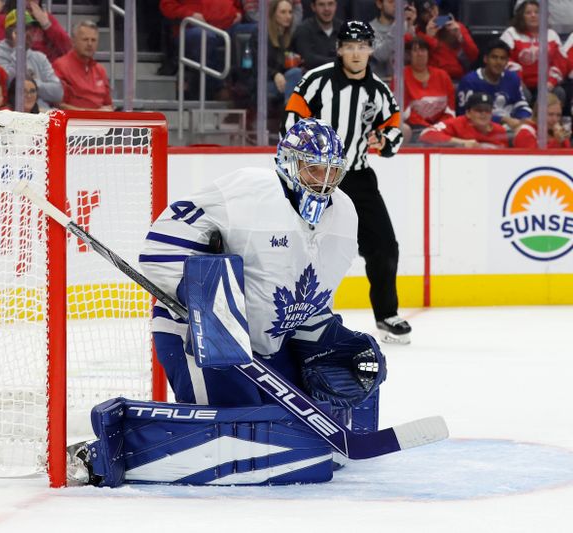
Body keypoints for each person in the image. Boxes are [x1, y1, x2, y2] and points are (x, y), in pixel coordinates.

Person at [139, 117, 385, 432]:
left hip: (267, 346)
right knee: (241, 429)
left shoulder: (345, 214)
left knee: (297, 429)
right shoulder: (249, 189)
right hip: (198, 336)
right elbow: (160, 246)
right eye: (313, 168)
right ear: (288, 164)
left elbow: (311, 298)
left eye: (332, 170)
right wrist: (206, 300)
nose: (324, 181)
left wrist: (326, 339)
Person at [281, 21, 410, 344]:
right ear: (339, 49)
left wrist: (384, 139)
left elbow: (394, 129)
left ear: (370, 49)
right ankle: (297, 313)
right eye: (349, 46)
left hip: (358, 175)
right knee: (306, 245)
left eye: (362, 46)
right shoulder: (315, 80)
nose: (356, 53)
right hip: (313, 176)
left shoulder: (378, 90)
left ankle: (386, 315)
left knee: (384, 246)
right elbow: (291, 121)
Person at [456, 39, 532, 131]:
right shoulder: (470, 81)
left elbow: (520, 103)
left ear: (507, 61)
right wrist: (502, 120)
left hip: (511, 127)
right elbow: (465, 115)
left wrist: (524, 117)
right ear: (485, 59)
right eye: (494, 57)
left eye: (502, 58)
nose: (498, 62)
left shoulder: (513, 78)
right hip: (480, 130)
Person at [500, 0, 567, 102]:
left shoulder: (551, 34)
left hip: (546, 84)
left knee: (558, 92)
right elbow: (505, 60)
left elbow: (561, 63)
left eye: (537, 12)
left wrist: (551, 82)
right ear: (521, 16)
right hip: (520, 83)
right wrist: (518, 82)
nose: (533, 15)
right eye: (528, 13)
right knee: (522, 93)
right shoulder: (511, 33)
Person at [0, 9, 63, 109]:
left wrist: (33, 85)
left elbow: (58, 93)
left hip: (42, 112)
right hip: (11, 112)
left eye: (31, 29)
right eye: (24, 28)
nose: (29, 33)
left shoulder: (39, 57)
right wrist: (17, 50)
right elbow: (9, 84)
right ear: (10, 32)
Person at [408, 0, 477, 82]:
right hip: (432, 79)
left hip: (458, 78)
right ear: (420, 16)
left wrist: (460, 36)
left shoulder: (454, 26)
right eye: (426, 12)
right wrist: (429, 38)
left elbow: (474, 55)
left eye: (433, 8)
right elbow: (418, 62)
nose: (432, 14)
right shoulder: (417, 33)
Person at [401, 37, 454, 142]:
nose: (420, 54)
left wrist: (438, 127)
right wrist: (428, 128)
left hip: (441, 127)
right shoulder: (401, 76)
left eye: (423, 50)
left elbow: (450, 109)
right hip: (414, 129)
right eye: (415, 50)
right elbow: (404, 111)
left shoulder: (442, 75)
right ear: (409, 54)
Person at [52, 20, 113, 111]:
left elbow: (108, 105)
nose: (89, 44)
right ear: (73, 41)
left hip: (99, 122)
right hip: (73, 122)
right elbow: (59, 105)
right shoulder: (61, 66)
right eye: (85, 39)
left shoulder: (100, 70)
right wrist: (94, 113)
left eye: (93, 40)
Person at [419, 91, 508, 148]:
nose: (483, 113)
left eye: (487, 110)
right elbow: (426, 134)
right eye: (478, 110)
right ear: (468, 113)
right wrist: (462, 142)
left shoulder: (500, 130)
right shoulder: (456, 123)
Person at [0, 0, 71, 63]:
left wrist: (47, 25)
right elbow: (7, 51)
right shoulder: (1, 21)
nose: (31, 2)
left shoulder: (46, 18)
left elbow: (67, 48)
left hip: (47, 70)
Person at [368, 0, 418, 80]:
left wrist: (409, 26)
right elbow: (381, 55)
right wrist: (398, 25)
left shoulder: (405, 26)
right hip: (381, 82)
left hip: (405, 82)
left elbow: (413, 59)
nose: (396, 6)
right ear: (379, 4)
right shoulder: (369, 29)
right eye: (391, 1)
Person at [290, 0, 343, 73]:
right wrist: (339, 61)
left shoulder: (343, 28)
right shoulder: (303, 30)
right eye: (321, 4)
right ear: (313, 7)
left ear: (336, 6)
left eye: (330, 4)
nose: (326, 9)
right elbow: (308, 60)